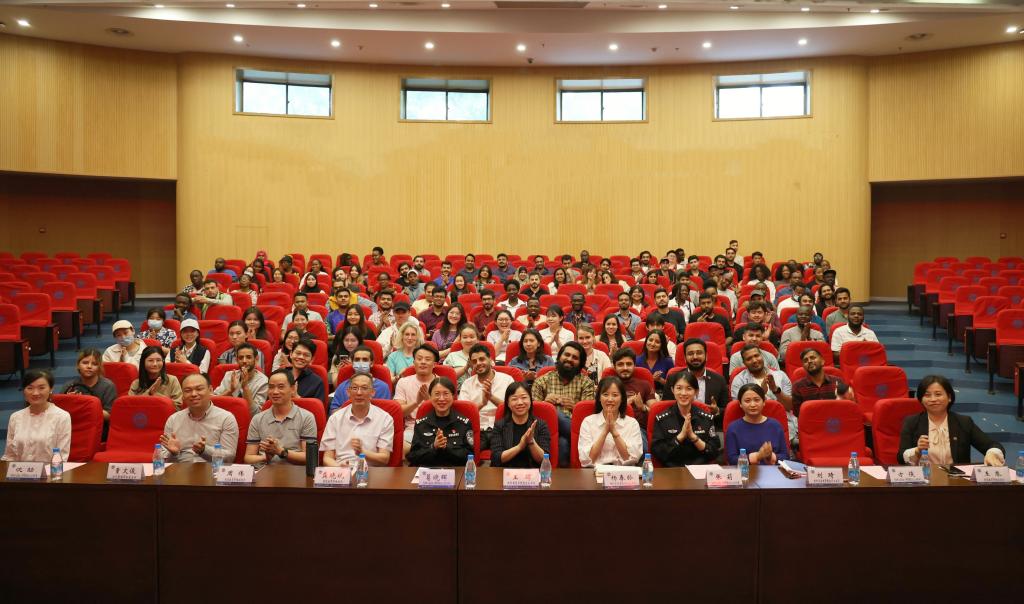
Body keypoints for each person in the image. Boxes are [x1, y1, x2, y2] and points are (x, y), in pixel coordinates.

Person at [899, 375, 1005, 466]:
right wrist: (917, 451)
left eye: (938, 394)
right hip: (924, 478)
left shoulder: (963, 422)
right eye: (927, 395)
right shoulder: (912, 422)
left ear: (949, 397)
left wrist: (992, 454)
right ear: (921, 399)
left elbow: (993, 445)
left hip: (956, 480)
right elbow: (900, 458)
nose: (933, 399)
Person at [532, 341, 596, 467]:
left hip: (576, 429)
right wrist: (545, 405)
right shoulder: (542, 381)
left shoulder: (586, 383)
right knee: (555, 414)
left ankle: (559, 478)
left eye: (575, 357)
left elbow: (587, 418)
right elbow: (533, 413)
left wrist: (575, 408)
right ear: (559, 357)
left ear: (580, 363)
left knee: (562, 443)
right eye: (567, 355)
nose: (569, 359)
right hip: (546, 430)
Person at [243, 369, 316, 467]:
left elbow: (310, 457)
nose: (275, 392)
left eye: (281, 387)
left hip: (295, 473)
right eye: (271, 387)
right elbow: (248, 458)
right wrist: (266, 457)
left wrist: (281, 451)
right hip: (265, 472)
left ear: (293, 389)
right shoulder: (258, 419)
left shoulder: (306, 417)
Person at [160, 373, 239, 464]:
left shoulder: (226, 418)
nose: (193, 394)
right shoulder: (173, 419)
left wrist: (204, 451)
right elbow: (163, 457)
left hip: (211, 469)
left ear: (210, 390)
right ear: (183, 394)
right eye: (188, 390)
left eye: (199, 389)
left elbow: (229, 457)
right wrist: (173, 453)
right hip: (181, 469)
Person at [322, 372, 395, 467]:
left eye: (364, 388)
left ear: (372, 392)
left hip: (371, 471)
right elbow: (327, 458)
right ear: (348, 392)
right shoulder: (335, 418)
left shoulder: (385, 419)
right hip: (341, 470)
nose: (359, 393)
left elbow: (384, 459)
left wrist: (362, 452)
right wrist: (339, 468)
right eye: (355, 388)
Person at [651, 371, 720, 466]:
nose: (683, 393)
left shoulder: (706, 418)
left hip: (699, 470)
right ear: (672, 390)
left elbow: (714, 452)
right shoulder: (662, 419)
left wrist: (694, 437)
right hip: (672, 471)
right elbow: (658, 453)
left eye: (689, 388)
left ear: (696, 391)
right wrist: (680, 437)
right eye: (679, 388)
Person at [2, 370, 71, 462]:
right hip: (20, 470)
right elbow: (10, 455)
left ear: (51, 389)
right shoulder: (15, 417)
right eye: (30, 388)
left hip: (49, 470)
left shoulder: (62, 417)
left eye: (41, 388)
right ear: (24, 390)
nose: (35, 393)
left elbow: (61, 457)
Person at [407, 377, 474, 467]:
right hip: (428, 472)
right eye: (437, 394)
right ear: (430, 397)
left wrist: (447, 447)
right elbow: (413, 457)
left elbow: (470, 456)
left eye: (446, 394)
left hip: (455, 472)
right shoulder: (421, 424)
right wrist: (433, 447)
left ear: (453, 396)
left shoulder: (464, 423)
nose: (441, 399)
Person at [578, 376, 643, 467]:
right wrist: (605, 431)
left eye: (615, 395)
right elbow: (587, 460)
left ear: (622, 398)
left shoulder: (632, 423)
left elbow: (631, 459)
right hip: (595, 472)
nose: (610, 399)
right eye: (605, 394)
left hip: (623, 472)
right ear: (599, 397)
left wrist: (614, 432)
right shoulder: (588, 422)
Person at [459, 343, 514, 445]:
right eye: (474, 361)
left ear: (490, 359)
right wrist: (482, 404)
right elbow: (464, 415)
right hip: (477, 430)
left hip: (502, 428)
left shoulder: (507, 380)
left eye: (482, 359)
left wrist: (491, 397)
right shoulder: (467, 384)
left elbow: (513, 409)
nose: (478, 363)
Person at [490, 382, 551, 468]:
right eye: (514, 399)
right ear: (508, 403)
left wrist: (531, 442)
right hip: (506, 473)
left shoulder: (541, 425)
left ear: (530, 400)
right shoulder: (500, 425)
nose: (520, 402)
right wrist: (519, 447)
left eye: (524, 397)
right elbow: (496, 458)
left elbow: (544, 460)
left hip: (532, 474)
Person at [724, 383, 789, 465]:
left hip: (772, 470)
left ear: (764, 402)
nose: (753, 405)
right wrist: (757, 456)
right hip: (745, 471)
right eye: (747, 401)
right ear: (740, 404)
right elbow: (732, 459)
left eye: (757, 400)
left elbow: (785, 457)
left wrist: (770, 457)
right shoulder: (733, 428)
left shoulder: (775, 425)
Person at [393, 344, 441, 455]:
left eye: (427, 359)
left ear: (434, 364)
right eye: (419, 359)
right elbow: (400, 412)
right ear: (414, 362)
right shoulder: (403, 382)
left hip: (439, 427)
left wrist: (429, 401)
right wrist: (417, 402)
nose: (423, 362)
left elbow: (447, 412)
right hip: (413, 428)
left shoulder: (442, 383)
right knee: (400, 449)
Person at [731, 344, 793, 413]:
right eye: (749, 359)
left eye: (756, 356)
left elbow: (789, 406)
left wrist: (775, 390)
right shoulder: (739, 380)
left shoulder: (781, 375)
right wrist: (761, 392)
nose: (754, 360)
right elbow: (740, 411)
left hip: (782, 415)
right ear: (744, 363)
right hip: (753, 418)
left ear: (762, 356)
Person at [791, 348, 853, 417]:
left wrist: (850, 397)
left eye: (813, 358)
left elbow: (846, 407)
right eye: (805, 360)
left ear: (822, 361)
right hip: (812, 422)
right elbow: (799, 415)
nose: (809, 361)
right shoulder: (798, 387)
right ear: (803, 366)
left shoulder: (837, 382)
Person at [330, 346, 392, 414]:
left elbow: (386, 413)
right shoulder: (342, 387)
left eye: (365, 360)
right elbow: (333, 413)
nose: (360, 362)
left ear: (371, 363)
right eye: (357, 360)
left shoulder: (383, 387)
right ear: (352, 363)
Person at [59, 349, 117, 420]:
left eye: (94, 364)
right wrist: (69, 402)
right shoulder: (69, 386)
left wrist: (83, 404)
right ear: (78, 365)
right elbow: (59, 412)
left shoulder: (108, 386)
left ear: (99, 367)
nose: (89, 366)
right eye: (85, 363)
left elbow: (109, 416)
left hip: (98, 424)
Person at [679, 338, 728, 420]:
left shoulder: (719, 380)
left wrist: (717, 411)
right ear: (685, 358)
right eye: (690, 354)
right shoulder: (673, 379)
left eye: (699, 353)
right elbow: (667, 407)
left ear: (706, 356)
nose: (695, 357)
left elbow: (726, 410)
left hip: (710, 424)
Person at [213, 343, 268, 415]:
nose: (244, 361)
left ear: (256, 359)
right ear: (236, 360)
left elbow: (256, 413)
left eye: (248, 357)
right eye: (241, 358)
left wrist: (245, 387)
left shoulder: (263, 381)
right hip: (225, 416)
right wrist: (230, 391)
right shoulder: (229, 375)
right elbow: (214, 403)